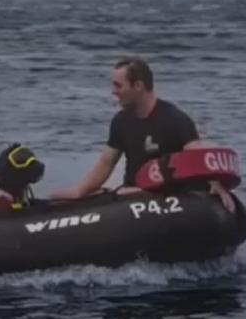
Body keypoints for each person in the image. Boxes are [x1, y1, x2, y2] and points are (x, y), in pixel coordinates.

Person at [50, 57, 235, 213]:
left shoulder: (174, 118)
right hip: (131, 198)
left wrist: (216, 185)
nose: (113, 91)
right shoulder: (121, 121)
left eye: (118, 85)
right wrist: (80, 191)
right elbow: (106, 163)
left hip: (167, 199)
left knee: (128, 193)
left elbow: (196, 155)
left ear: (138, 85)